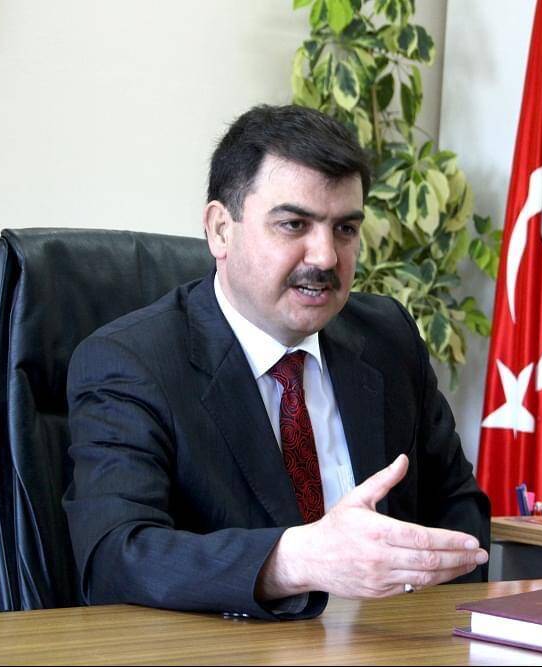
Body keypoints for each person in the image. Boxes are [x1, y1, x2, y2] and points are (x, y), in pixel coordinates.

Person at [63, 104, 490, 620]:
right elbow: (115, 557)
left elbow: (459, 508)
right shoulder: (133, 363)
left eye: (345, 229)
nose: (326, 257)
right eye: (294, 224)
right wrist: (296, 562)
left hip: (394, 643)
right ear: (221, 229)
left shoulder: (388, 339)